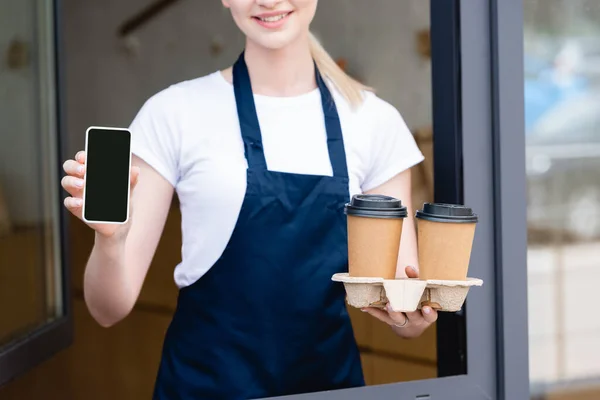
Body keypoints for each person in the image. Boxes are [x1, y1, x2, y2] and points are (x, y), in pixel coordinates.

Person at [61, 0, 438, 398]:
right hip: (204, 387)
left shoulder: (374, 123)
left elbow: (403, 301)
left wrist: (409, 318)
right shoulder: (174, 113)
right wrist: (111, 240)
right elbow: (106, 310)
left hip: (327, 386)